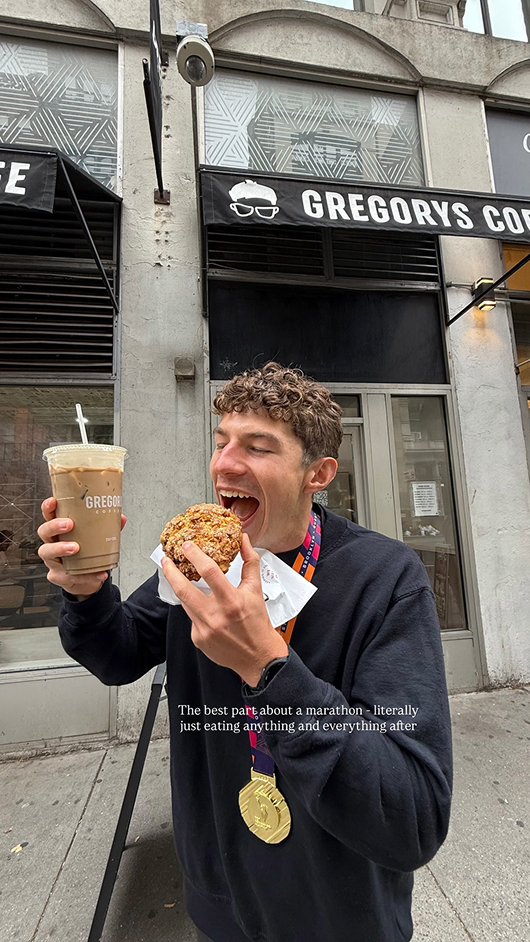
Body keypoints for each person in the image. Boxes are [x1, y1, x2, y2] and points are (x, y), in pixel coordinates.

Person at [38, 362, 452, 942]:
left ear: (319, 473)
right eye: (220, 442)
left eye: (257, 447)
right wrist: (87, 592)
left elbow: (413, 818)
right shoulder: (196, 562)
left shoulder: (385, 580)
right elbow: (118, 653)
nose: (225, 464)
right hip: (220, 902)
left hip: (337, 913)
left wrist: (269, 670)